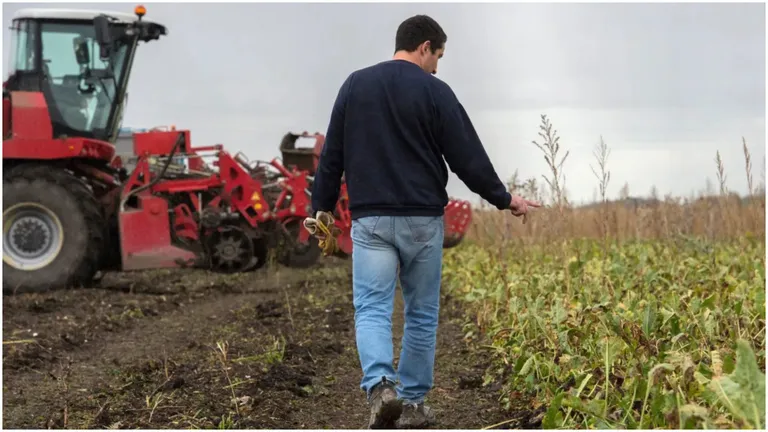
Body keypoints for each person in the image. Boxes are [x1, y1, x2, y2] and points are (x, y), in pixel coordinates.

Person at [310, 14, 541, 429]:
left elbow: (332, 156)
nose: (437, 65)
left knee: (372, 308)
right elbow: (467, 156)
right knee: (420, 312)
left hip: (372, 221)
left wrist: (320, 208)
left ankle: (381, 386)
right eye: (438, 55)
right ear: (425, 47)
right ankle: (413, 406)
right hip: (422, 220)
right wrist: (506, 199)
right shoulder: (435, 91)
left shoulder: (354, 85)